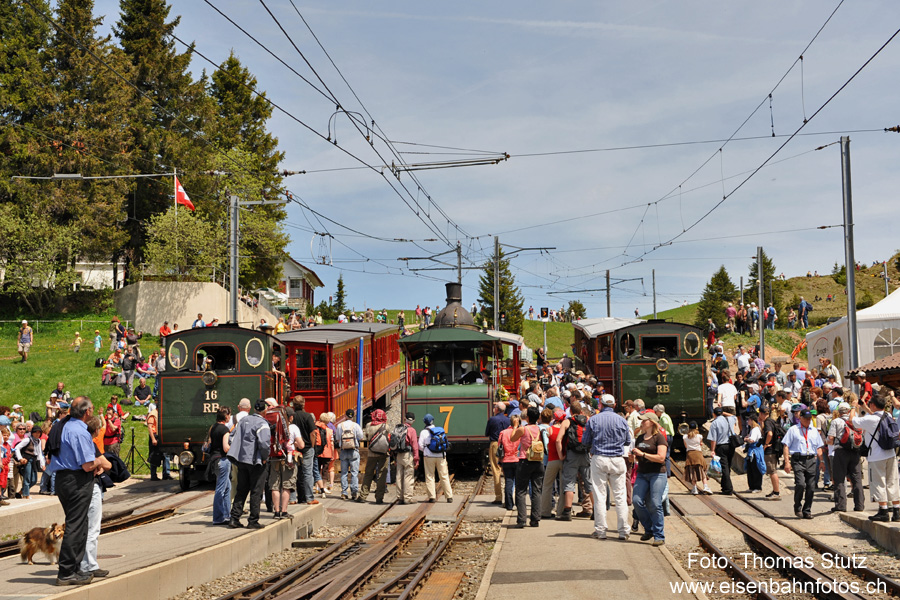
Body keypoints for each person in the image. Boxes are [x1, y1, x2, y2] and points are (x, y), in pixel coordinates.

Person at [49, 397, 101, 585]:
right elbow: (87, 465)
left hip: (64, 478)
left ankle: (76, 568)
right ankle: (66, 571)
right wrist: (100, 462)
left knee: (79, 523)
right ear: (87, 412)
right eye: (92, 408)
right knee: (75, 525)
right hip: (76, 480)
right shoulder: (80, 431)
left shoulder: (65, 426)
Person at [583, 394, 631, 539]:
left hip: (599, 458)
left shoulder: (593, 420)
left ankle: (601, 530)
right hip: (617, 459)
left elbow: (585, 441)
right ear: (614, 405)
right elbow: (627, 441)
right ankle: (623, 531)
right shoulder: (622, 420)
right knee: (620, 496)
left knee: (600, 496)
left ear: (601, 405)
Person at [852, 393, 900, 522]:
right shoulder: (888, 415)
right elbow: (875, 414)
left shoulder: (870, 419)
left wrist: (853, 407)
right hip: (890, 453)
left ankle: (883, 511)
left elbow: (853, 421)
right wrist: (866, 406)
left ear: (873, 405)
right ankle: (897, 512)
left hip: (876, 456)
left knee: (879, 483)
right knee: (893, 482)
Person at [227, 399, 271, 529]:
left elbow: (232, 436)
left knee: (241, 489)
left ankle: (234, 518)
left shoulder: (243, 421)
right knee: (256, 491)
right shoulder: (263, 424)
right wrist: (264, 457)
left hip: (242, 460)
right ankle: (253, 520)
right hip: (256, 461)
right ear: (265, 410)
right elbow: (264, 444)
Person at [631, 411, 667, 546]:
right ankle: (649, 528)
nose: (641, 422)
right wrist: (634, 457)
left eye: (644, 420)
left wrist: (643, 454)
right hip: (642, 473)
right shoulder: (640, 438)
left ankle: (659, 535)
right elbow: (638, 455)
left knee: (655, 503)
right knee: (636, 501)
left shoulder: (659, 438)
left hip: (657, 473)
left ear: (651, 422)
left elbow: (661, 458)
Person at [782, 409, 824, 519]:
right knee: (800, 484)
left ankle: (807, 510)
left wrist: (822, 461)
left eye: (810, 418)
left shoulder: (814, 431)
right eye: (806, 418)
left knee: (811, 486)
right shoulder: (793, 430)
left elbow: (819, 447)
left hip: (811, 460)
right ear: (800, 418)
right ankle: (797, 506)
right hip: (798, 459)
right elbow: (786, 446)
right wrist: (787, 462)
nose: (808, 421)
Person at [556, 402, 592, 521]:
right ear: (581, 411)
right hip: (585, 454)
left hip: (571, 455)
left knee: (569, 482)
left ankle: (567, 512)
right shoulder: (588, 421)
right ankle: (596, 510)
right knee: (589, 483)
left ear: (570, 411)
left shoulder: (567, 422)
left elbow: (558, 440)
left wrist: (561, 455)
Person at [827, 402, 865, 513]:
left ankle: (841, 505)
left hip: (841, 452)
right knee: (856, 478)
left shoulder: (836, 421)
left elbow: (830, 439)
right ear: (849, 411)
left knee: (839, 479)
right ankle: (859, 505)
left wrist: (826, 442)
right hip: (855, 451)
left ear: (839, 412)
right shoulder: (856, 421)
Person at [510, 406, 543, 528]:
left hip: (525, 461)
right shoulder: (540, 429)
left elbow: (512, 438)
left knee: (521, 491)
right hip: (538, 462)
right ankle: (535, 520)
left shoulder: (522, 429)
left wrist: (515, 426)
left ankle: (522, 520)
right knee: (536, 490)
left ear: (527, 417)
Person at [270, 406, 300, 519]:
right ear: (290, 417)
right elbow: (301, 444)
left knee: (275, 486)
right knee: (286, 486)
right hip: (288, 459)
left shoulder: (274, 426)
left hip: (275, 457)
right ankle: (284, 511)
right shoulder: (293, 428)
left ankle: (276, 512)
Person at [358, 409, 390, 504]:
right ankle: (379, 497)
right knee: (381, 475)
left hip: (372, 453)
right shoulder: (386, 426)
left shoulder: (368, 426)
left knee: (368, 474)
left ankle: (363, 496)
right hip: (384, 454)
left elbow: (367, 438)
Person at [419, 414, 453, 502]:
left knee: (430, 476)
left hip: (428, 457)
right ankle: (449, 496)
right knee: (444, 475)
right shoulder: (440, 430)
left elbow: (420, 445)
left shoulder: (423, 432)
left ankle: (432, 497)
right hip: (441, 456)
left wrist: (426, 451)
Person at [291, 397, 318, 505]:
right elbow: (313, 433)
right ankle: (309, 498)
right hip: (306, 448)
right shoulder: (308, 416)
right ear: (304, 404)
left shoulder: (291, 417)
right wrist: (312, 446)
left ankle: (292, 499)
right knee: (307, 473)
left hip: (294, 449)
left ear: (293, 404)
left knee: (293, 473)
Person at [707, 406, 738, 495]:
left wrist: (712, 450)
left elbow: (713, 439)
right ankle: (724, 486)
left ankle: (728, 489)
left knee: (724, 467)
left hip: (721, 447)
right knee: (727, 466)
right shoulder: (729, 420)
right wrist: (724, 413)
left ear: (714, 414)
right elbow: (734, 416)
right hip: (731, 446)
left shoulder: (715, 423)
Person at [485, 402, 511, 505]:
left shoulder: (492, 419)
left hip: (495, 444)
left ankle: (499, 497)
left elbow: (487, 433)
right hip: (507, 444)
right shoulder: (508, 420)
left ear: (496, 409)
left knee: (496, 470)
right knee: (506, 470)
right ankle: (509, 496)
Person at [337, 409, 363, 500]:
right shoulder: (355, 425)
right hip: (354, 451)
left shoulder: (340, 426)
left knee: (344, 473)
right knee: (354, 473)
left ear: (345, 416)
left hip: (343, 451)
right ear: (353, 416)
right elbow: (361, 436)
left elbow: (337, 437)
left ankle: (344, 493)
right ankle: (354, 493)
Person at [761, 405, 783, 499]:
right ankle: (775, 491)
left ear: (762, 414)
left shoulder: (767, 422)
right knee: (772, 471)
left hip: (770, 450)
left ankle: (776, 493)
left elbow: (769, 433)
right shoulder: (772, 420)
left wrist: (766, 444)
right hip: (775, 448)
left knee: (772, 471)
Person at [498, 415, 520, 510]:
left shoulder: (503, 433)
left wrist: (500, 462)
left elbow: (499, 448)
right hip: (518, 459)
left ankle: (509, 504)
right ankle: (519, 504)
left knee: (509, 482)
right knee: (519, 483)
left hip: (506, 460)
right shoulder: (520, 432)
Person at [146, 405, 171, 480]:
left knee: (166, 455)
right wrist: (153, 439)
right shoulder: (153, 414)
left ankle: (166, 474)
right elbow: (150, 427)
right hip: (155, 436)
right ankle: (153, 475)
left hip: (162, 436)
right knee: (154, 455)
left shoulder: (163, 414)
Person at [743, 413, 765, 493]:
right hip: (751, 451)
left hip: (755, 451)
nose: (747, 421)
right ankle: (751, 486)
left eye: (749, 420)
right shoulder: (752, 429)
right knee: (750, 469)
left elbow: (752, 440)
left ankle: (757, 487)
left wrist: (746, 439)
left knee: (756, 469)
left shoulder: (755, 429)